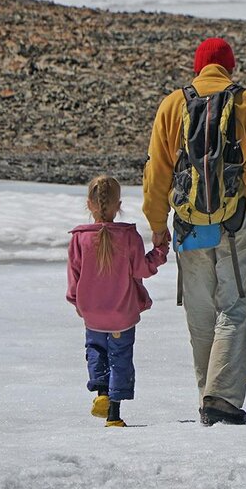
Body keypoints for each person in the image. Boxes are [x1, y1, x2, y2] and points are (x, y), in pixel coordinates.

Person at [142, 37, 246, 426]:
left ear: (198, 67)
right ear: (230, 67)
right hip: (237, 220)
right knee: (233, 306)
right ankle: (221, 398)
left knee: (200, 310)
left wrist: (157, 224)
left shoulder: (173, 105)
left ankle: (206, 394)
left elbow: (156, 171)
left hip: (190, 224)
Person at [66, 175, 168, 428]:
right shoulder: (128, 236)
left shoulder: (80, 238)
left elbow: (73, 275)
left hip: (92, 311)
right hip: (122, 312)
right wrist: (160, 251)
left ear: (89, 204)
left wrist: (77, 302)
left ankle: (101, 392)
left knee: (96, 350)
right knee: (120, 356)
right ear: (118, 205)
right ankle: (114, 413)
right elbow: (142, 269)